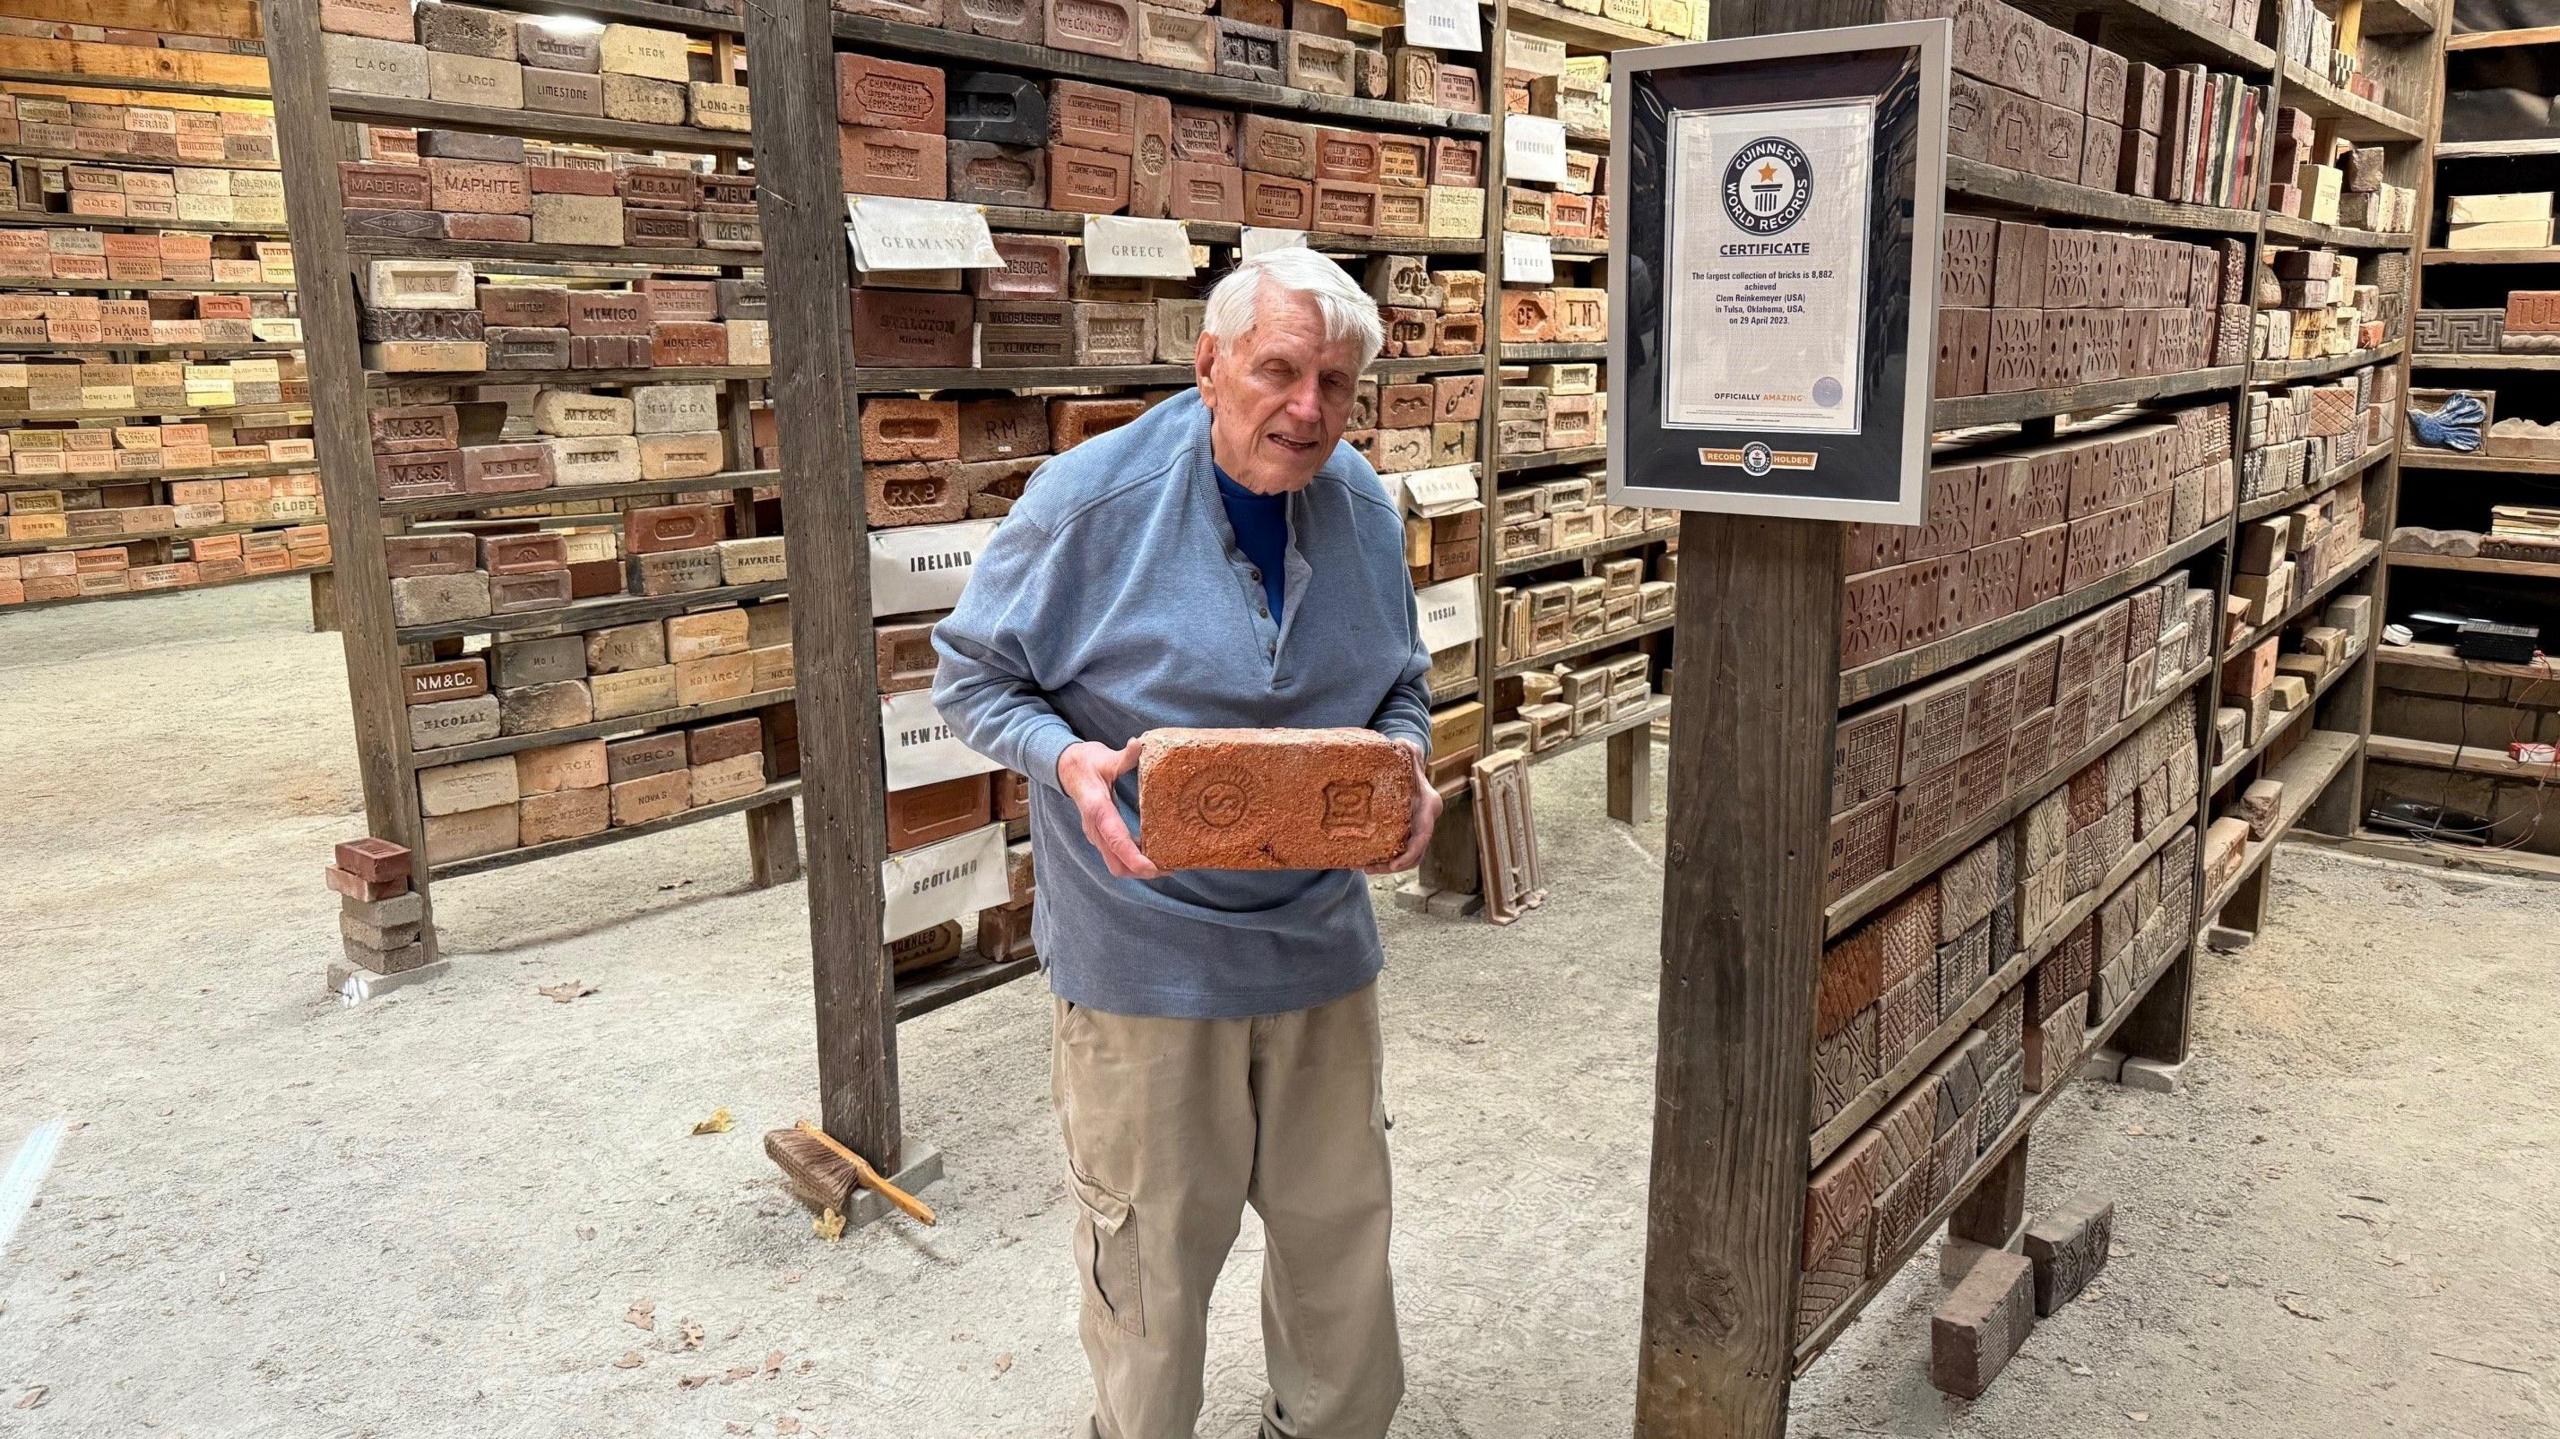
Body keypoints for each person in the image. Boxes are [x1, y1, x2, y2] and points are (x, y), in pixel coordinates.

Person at [931, 246, 1439, 1439]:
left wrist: (1408, 765)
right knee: (1150, 1264)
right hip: (1143, 958)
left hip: (1318, 947)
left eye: (1335, 383)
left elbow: (1400, 683)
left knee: (1337, 1234)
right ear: (1209, 363)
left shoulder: (1361, 502)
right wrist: (1068, 766)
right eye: (1277, 370)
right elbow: (972, 676)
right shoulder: (1088, 501)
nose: (1306, 409)